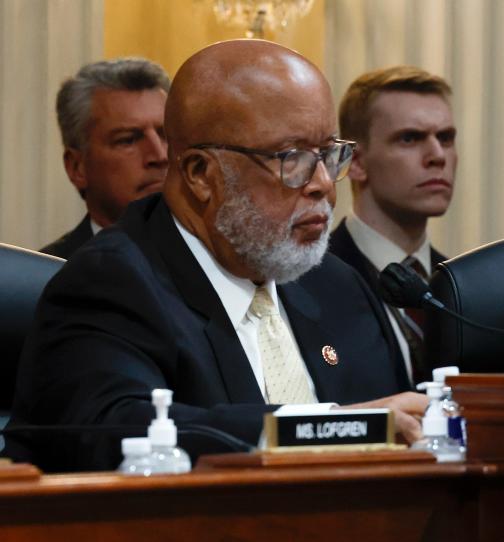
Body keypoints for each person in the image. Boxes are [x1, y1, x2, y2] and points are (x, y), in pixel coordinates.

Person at [11, 40, 426, 469]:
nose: (322, 183)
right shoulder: (111, 284)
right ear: (200, 175)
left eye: (327, 154)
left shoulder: (338, 287)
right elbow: (119, 430)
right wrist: (331, 429)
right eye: (292, 159)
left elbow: (401, 433)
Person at [330, 66, 456, 384]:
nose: (438, 155)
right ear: (355, 162)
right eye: (410, 138)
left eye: (446, 137)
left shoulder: (463, 283)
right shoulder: (312, 279)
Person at [41, 58, 170, 259]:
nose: (160, 156)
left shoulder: (227, 261)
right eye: (128, 140)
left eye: (167, 135)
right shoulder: (43, 277)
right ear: (77, 167)